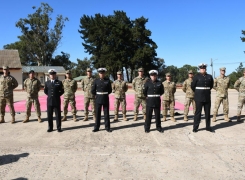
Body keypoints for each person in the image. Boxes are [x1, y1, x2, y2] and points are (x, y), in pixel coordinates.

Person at [191, 63, 214, 133]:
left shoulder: (209, 76)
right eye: (201, 68)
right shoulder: (196, 77)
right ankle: (195, 127)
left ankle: (208, 127)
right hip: (199, 97)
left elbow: (211, 86)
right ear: (199, 69)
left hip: (207, 97)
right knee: (198, 113)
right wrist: (198, 92)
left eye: (204, 68)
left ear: (205, 69)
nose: (203, 69)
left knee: (207, 113)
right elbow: (192, 86)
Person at [91, 68, 112, 132]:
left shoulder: (107, 80)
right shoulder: (96, 81)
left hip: (105, 98)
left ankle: (107, 127)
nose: (102, 74)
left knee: (106, 114)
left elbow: (110, 90)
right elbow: (93, 90)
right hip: (98, 99)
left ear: (104, 74)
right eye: (100, 73)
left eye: (103, 73)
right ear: (98, 74)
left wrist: (105, 94)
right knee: (98, 114)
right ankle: (96, 127)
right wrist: (97, 95)